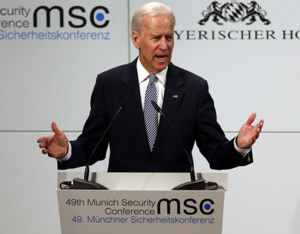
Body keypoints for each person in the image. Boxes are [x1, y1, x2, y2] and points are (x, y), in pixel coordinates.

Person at [37, 2, 263, 172]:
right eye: (156, 38)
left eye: (169, 37)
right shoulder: (110, 84)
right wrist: (67, 151)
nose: (164, 46)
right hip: (122, 208)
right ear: (136, 39)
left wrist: (238, 146)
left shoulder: (195, 88)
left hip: (177, 208)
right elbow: (92, 147)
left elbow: (215, 154)